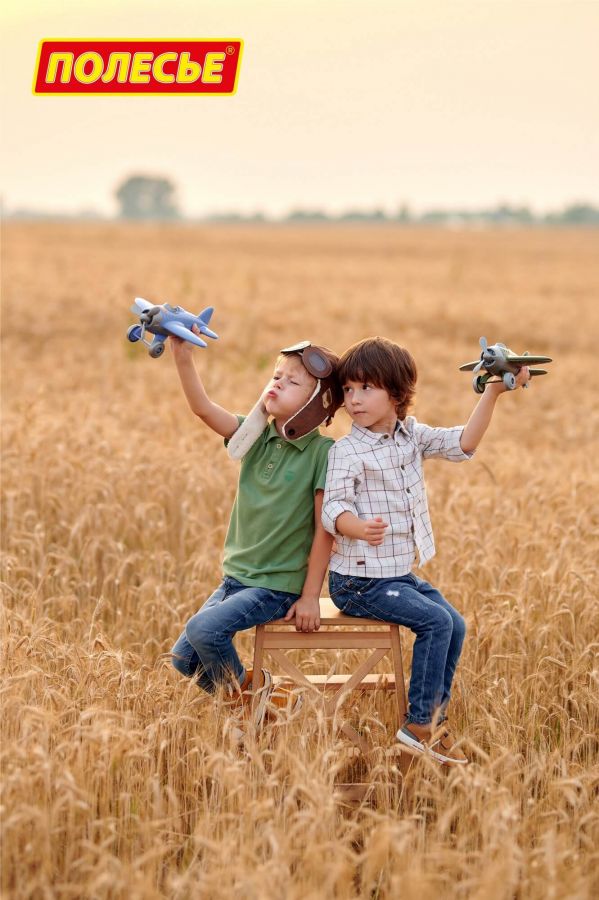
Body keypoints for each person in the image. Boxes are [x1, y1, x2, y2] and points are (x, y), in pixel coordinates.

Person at [321, 336, 531, 764]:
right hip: (358, 582)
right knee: (435, 621)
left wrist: (494, 391)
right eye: (348, 390)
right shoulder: (347, 451)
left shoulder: (411, 438)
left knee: (454, 623)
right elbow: (333, 509)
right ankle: (418, 727)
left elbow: (464, 443)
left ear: (397, 395)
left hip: (394, 574)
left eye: (366, 388)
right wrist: (356, 526)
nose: (354, 399)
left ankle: (433, 720)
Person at [170, 329, 342, 729]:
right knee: (182, 658)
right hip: (236, 579)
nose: (277, 383)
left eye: (293, 381)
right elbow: (203, 409)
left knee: (204, 631)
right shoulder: (255, 438)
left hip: (275, 586)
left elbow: (324, 531)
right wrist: (182, 357)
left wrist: (311, 596)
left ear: (319, 404)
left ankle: (252, 715)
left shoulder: (323, 454)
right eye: (276, 375)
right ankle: (265, 697)